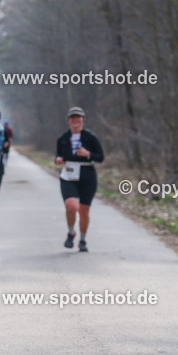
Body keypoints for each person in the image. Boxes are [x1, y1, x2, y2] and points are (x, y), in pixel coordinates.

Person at [55, 106, 104, 252]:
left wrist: (88, 154)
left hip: (87, 175)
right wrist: (58, 159)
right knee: (71, 205)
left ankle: (82, 240)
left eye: (78, 117)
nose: (75, 120)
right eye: (72, 118)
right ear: (68, 121)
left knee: (84, 210)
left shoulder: (91, 137)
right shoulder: (62, 138)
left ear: (83, 120)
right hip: (68, 175)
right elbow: (58, 154)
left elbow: (100, 157)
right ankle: (71, 233)